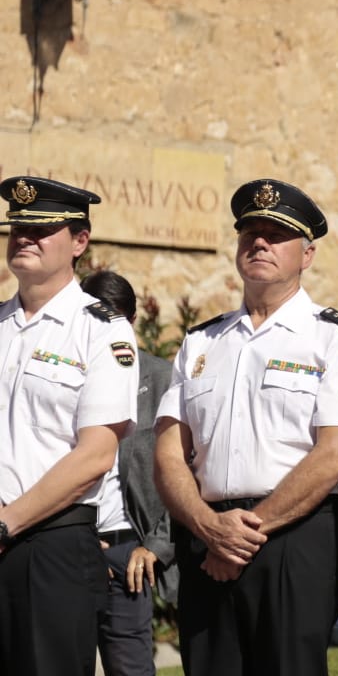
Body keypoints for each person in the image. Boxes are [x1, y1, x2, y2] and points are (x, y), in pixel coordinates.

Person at [154, 179, 338, 676]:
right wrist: (209, 527)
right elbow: (168, 454)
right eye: (250, 233)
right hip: (207, 535)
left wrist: (244, 535)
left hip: (294, 536)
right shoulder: (202, 342)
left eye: (276, 235)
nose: (260, 243)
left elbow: (335, 454)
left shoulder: (333, 337)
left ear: (307, 254)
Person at [0, 177, 138, 676]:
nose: (25, 238)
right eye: (18, 227)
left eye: (41, 229)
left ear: (80, 241)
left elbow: (95, 455)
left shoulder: (101, 330)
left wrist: (6, 523)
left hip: (50, 546)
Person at [80, 270, 177, 676]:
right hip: (67, 545)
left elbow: (186, 471)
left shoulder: (163, 379)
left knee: (130, 668)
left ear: (132, 322)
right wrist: (78, 542)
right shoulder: (65, 375)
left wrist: (156, 545)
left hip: (128, 553)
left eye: (115, 320)